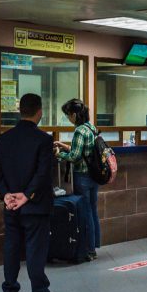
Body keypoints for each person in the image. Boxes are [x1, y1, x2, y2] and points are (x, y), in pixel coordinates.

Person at [0, 94, 69, 292]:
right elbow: (43, 173)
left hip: (11, 205)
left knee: (12, 246)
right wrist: (27, 195)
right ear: (39, 112)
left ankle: (9, 288)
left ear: (20, 111)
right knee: (36, 248)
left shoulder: (3, 139)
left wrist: (6, 195)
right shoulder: (43, 140)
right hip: (35, 205)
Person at [54, 99, 100, 261]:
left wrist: (59, 153)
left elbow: (75, 157)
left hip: (83, 177)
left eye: (68, 115)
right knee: (93, 211)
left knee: (86, 213)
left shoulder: (80, 131)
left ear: (74, 114)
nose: (68, 118)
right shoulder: (91, 128)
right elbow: (84, 151)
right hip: (94, 176)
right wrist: (65, 145)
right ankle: (94, 246)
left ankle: (89, 250)